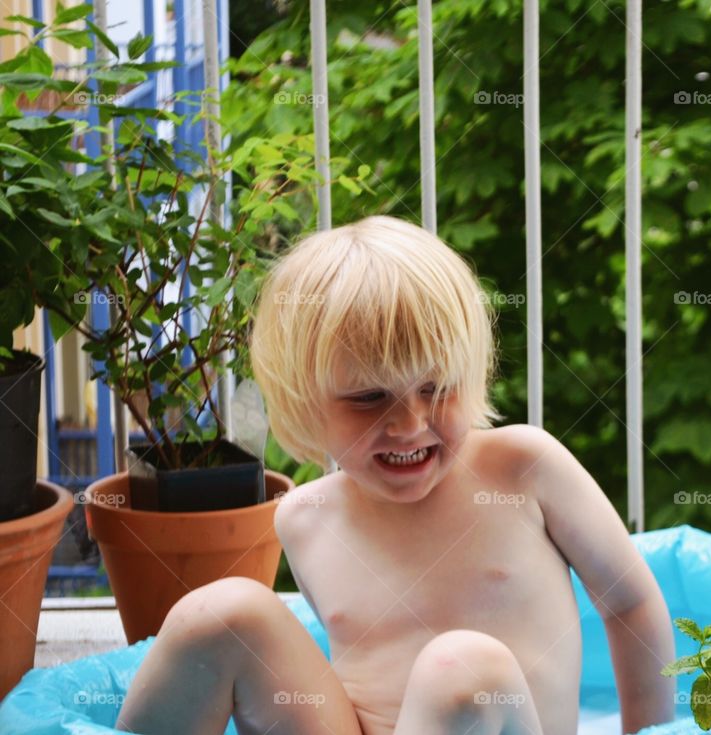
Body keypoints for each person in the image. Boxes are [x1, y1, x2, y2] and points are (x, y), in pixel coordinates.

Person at [116, 216, 676, 735]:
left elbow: (630, 604)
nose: (410, 424)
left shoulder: (523, 469)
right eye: (369, 397)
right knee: (219, 614)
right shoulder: (305, 520)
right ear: (305, 403)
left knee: (460, 668)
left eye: (436, 388)